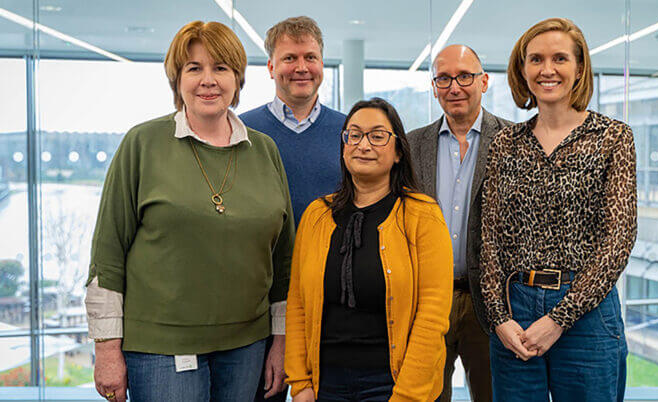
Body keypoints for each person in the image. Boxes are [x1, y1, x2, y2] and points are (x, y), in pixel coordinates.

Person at [84, 21, 294, 402]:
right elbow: (108, 256)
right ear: (177, 80)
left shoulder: (265, 151)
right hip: (160, 350)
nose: (208, 80)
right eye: (194, 68)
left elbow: (284, 263)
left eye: (221, 68)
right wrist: (106, 350)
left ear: (238, 79)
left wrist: (280, 343)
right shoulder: (142, 144)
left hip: (247, 346)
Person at [480, 18, 637, 402]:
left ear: (580, 68)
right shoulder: (506, 143)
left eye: (559, 58)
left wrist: (558, 318)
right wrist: (499, 318)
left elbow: (618, 240)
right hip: (514, 310)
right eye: (535, 59)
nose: (546, 69)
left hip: (588, 314)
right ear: (522, 69)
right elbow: (488, 239)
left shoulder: (613, 138)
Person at [285, 98, 453, 402]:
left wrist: (408, 396)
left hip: (392, 383)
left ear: (399, 151)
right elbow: (297, 303)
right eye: (354, 134)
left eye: (377, 136)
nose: (363, 145)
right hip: (326, 383)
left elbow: (433, 316)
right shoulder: (316, 215)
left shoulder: (422, 215)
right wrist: (300, 384)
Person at [239, 16, 346, 401]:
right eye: (289, 58)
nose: (301, 67)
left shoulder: (351, 132)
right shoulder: (241, 132)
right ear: (270, 67)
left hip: (332, 301)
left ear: (322, 63)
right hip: (258, 303)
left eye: (310, 57)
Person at [407, 44, 510, 402]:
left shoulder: (514, 142)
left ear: (484, 81)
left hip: (493, 304)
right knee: (428, 397)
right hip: (427, 302)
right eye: (444, 78)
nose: (454, 87)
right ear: (434, 86)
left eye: (464, 76)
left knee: (493, 395)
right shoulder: (411, 145)